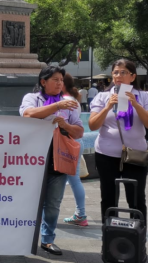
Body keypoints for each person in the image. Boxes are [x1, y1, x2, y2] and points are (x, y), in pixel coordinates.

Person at [19, 66, 83, 256]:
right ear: (43, 82)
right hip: (33, 158)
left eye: (61, 80)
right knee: (29, 201)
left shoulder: (68, 104)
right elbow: (28, 114)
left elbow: (79, 131)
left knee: (53, 203)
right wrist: (56, 107)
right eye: (55, 79)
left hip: (59, 157)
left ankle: (47, 240)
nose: (59, 83)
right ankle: (23, 239)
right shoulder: (32, 98)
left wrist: (67, 125)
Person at [88, 59, 148, 224]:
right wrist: (107, 107)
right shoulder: (103, 96)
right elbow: (92, 125)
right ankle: (110, 239)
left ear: (132, 77)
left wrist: (136, 104)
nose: (118, 76)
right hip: (106, 154)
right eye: (115, 72)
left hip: (135, 155)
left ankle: (138, 241)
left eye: (123, 72)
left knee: (137, 199)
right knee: (108, 197)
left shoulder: (144, 97)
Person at [61, 74, 88, 226]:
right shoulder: (73, 99)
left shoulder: (65, 101)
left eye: (59, 81)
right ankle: (80, 213)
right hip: (75, 141)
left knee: (73, 179)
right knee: (73, 179)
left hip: (69, 142)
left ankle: (81, 214)